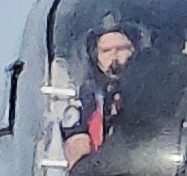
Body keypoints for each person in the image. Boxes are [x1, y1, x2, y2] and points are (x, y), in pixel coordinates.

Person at [59, 13, 144, 165]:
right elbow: (76, 141)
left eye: (121, 48)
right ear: (95, 56)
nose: (114, 56)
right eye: (106, 51)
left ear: (133, 50)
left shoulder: (148, 89)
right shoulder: (88, 98)